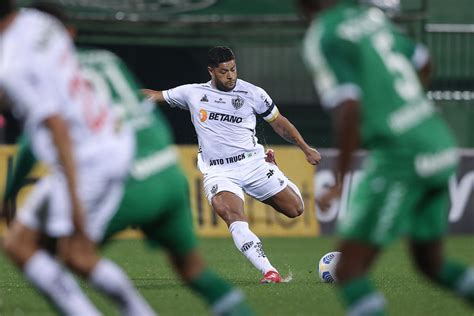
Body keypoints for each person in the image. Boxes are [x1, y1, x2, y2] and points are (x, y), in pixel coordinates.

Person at [2, 2, 252, 315]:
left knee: (68, 253)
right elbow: (140, 111)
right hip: (168, 172)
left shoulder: (38, 71)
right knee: (194, 271)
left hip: (124, 175)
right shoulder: (106, 59)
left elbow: (41, 135)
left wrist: (13, 194)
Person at [298, 0, 474, 314]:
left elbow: (348, 106)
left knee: (349, 269)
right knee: (431, 263)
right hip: (439, 142)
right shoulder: (371, 17)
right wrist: (410, 109)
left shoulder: (323, 35)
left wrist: (338, 180)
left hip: (401, 155)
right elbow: (424, 61)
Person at [142, 46, 321, 283]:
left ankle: (274, 169)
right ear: (211, 71)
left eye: (233, 69)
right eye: (224, 71)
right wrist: (119, 92)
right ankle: (269, 271)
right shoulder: (193, 93)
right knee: (232, 215)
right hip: (218, 171)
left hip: (254, 164)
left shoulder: (253, 93)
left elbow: (279, 123)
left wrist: (305, 147)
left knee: (295, 209)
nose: (231, 76)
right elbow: (155, 95)